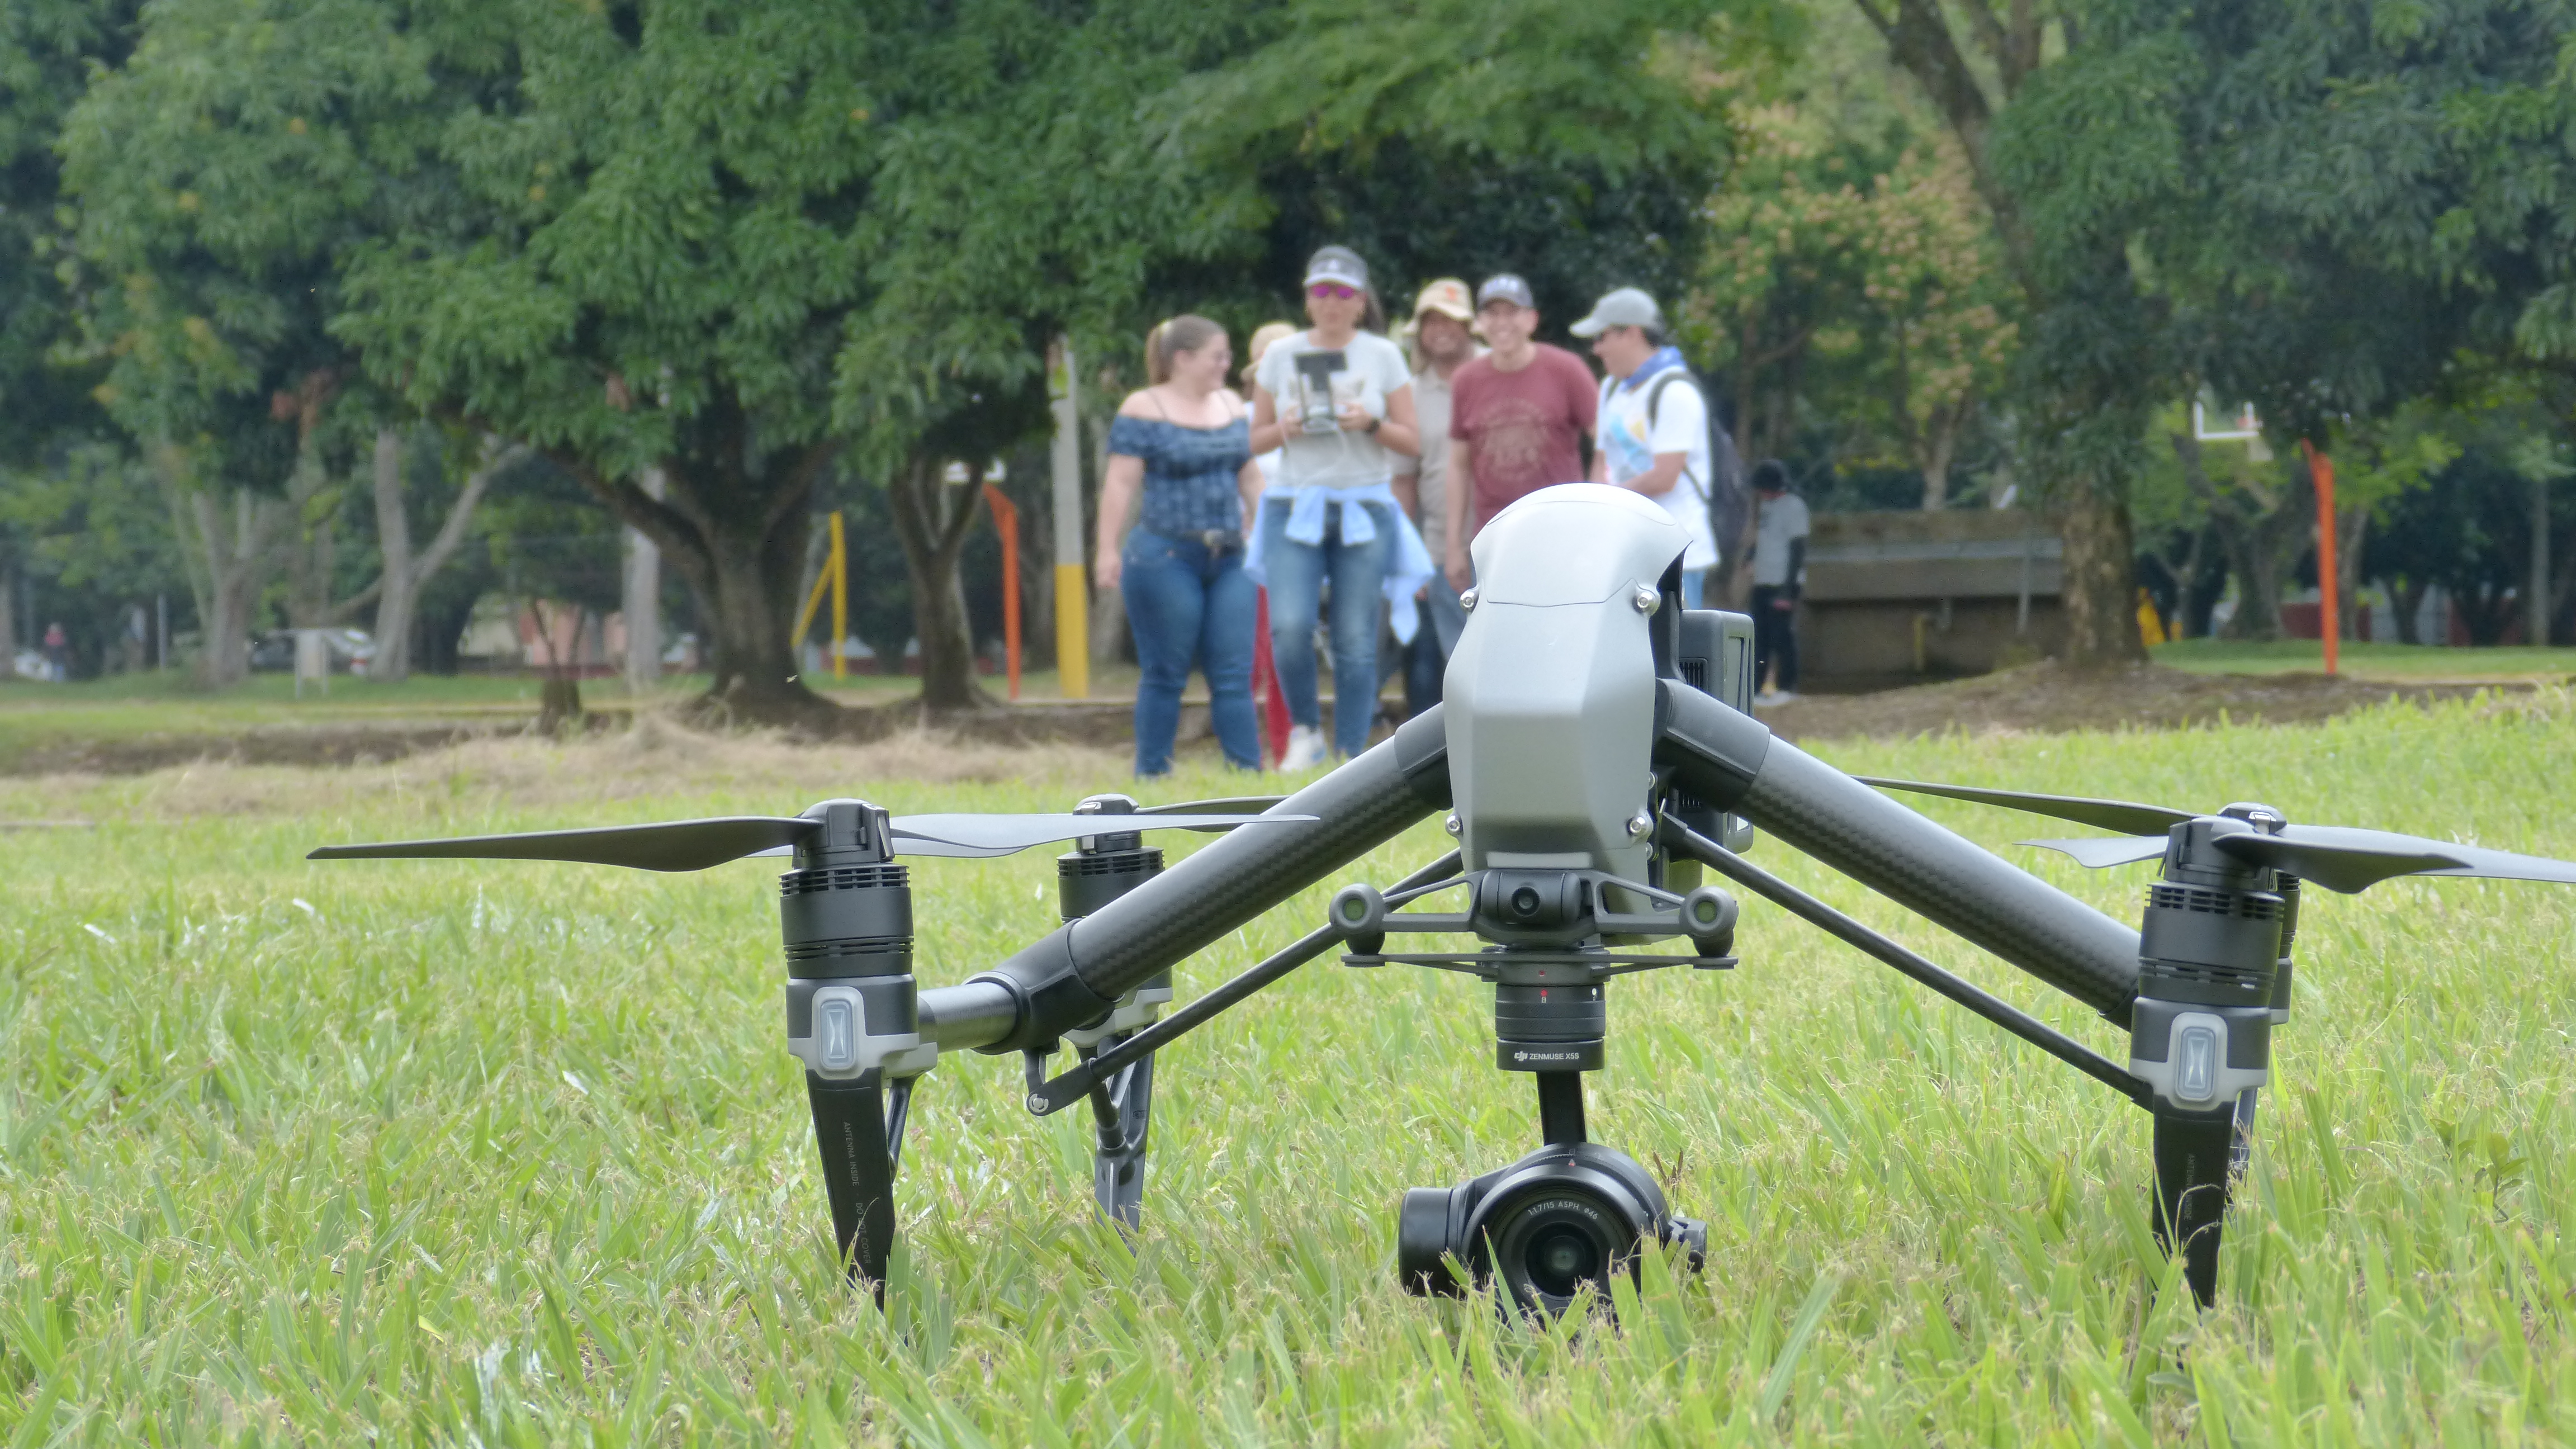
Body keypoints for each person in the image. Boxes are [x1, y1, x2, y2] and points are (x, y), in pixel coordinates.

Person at [1248, 245, 1432, 766]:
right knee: (1290, 626)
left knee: (1355, 636)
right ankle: (1306, 729)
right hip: (1294, 501)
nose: (1332, 302)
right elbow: (1256, 439)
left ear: (1360, 301)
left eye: (1343, 292)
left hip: (1364, 504)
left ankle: (1352, 752)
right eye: (1321, 291)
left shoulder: (1383, 355)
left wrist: (1370, 424)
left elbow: (1411, 442)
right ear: (1308, 300)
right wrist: (1288, 426)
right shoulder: (1282, 355)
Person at [1096, 316, 1266, 776]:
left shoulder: (1231, 404)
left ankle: (1248, 775)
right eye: (1218, 356)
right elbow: (1120, 483)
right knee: (1166, 671)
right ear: (1182, 359)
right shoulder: (1143, 407)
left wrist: (1267, 536)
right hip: (1164, 554)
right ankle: (1152, 772)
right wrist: (1106, 550)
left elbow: (1249, 476)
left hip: (1230, 554)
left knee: (1233, 673)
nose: (1226, 365)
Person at [1442, 274, 1599, 592]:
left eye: (1512, 313)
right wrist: (1453, 546)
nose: (1502, 323)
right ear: (1479, 323)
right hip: (1493, 536)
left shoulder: (1567, 370)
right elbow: (1458, 465)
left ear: (1531, 320)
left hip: (1561, 532)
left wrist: (1595, 516)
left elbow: (1606, 444)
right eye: (1492, 314)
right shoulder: (1466, 380)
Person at [1574, 286, 1720, 606]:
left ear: (1632, 334)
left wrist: (1610, 501)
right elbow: (1601, 459)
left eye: (1602, 337)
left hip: (1677, 556)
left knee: (1678, 654)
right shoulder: (1611, 388)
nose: (1596, 349)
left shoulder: (1675, 391)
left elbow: (1664, 477)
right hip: (1623, 551)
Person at [1391, 278, 1479, 716]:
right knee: (1436, 667)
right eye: (1431, 321)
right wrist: (1410, 558)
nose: (1440, 329)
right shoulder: (1407, 394)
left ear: (1469, 325)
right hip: (1438, 543)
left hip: (1501, 536)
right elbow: (1403, 482)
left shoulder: (1495, 375)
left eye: (1450, 320)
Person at [1746, 458, 1808, 700]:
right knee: (1759, 636)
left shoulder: (1794, 507)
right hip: (1763, 580)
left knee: (1782, 636)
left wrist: (1787, 590)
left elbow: (1798, 548)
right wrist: (1750, 558)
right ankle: (1757, 688)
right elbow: (1764, 539)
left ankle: (1787, 686)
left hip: (1783, 582)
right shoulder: (1766, 507)